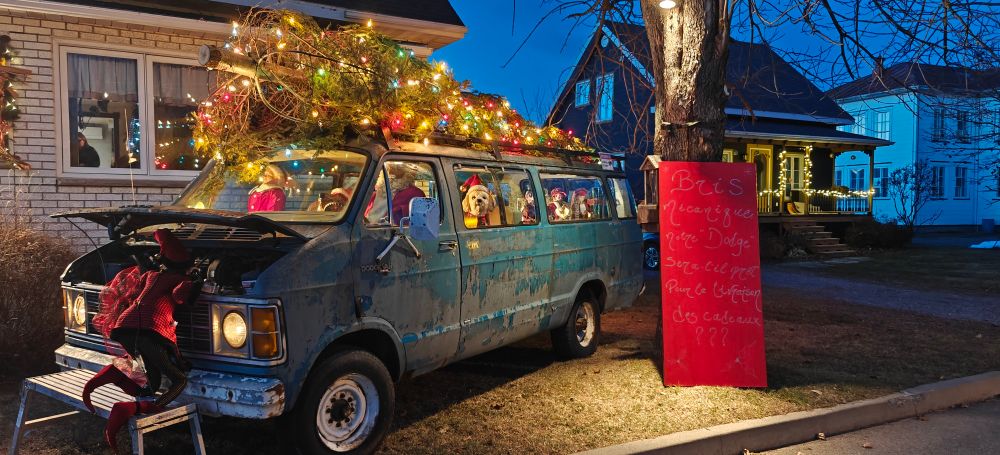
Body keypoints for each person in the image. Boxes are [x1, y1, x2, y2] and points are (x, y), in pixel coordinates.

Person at [83, 229, 196, 453]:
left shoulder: (151, 276)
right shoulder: (181, 280)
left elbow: (138, 290)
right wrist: (195, 281)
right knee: (179, 380)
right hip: (147, 331)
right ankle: (131, 409)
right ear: (185, 266)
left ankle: (103, 380)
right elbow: (181, 298)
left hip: (125, 327)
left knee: (151, 379)